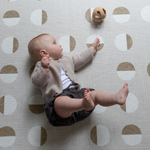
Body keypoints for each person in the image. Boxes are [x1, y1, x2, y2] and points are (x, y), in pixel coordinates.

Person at [28, 34, 129, 126]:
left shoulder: (67, 60)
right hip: (61, 108)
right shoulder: (40, 66)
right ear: (43, 52)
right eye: (54, 43)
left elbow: (80, 58)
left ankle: (116, 98)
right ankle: (84, 104)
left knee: (94, 94)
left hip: (77, 96)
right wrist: (44, 68)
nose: (59, 45)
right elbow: (37, 82)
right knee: (59, 102)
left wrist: (92, 49)